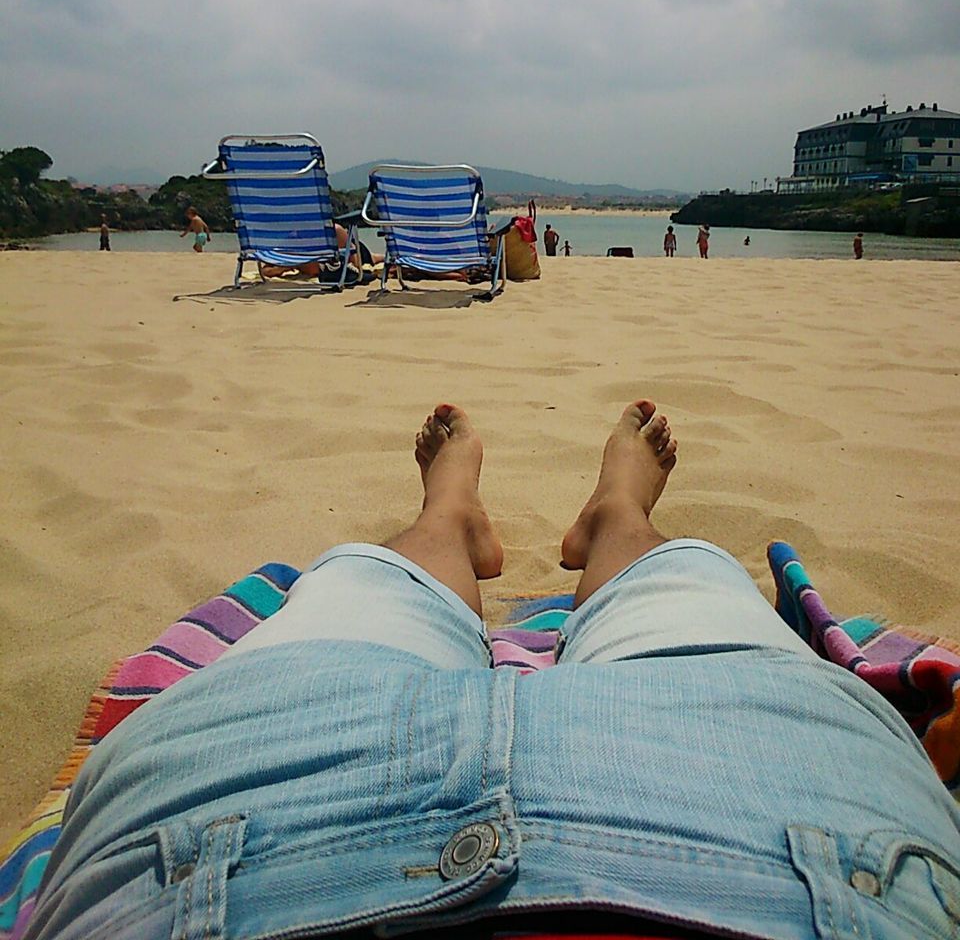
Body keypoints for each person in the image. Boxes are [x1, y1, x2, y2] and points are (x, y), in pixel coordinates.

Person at [25, 400, 960, 939]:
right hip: (787, 809)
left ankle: (451, 516)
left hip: (232, 824)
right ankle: (612, 517)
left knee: (364, 582)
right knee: (683, 580)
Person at [258, 225, 383, 280]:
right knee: (374, 258)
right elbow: (265, 270)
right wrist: (283, 267)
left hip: (350, 249)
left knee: (373, 258)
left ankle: (385, 256)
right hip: (338, 249)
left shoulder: (335, 232)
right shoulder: (293, 244)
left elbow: (356, 266)